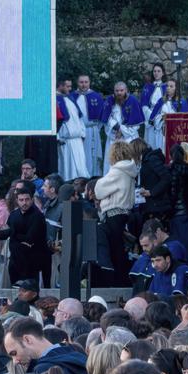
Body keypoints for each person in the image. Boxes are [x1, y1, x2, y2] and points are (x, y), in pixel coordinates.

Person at [94, 141, 138, 286]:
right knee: (119, 247)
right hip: (124, 212)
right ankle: (122, 279)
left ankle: (117, 280)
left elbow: (99, 190)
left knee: (114, 249)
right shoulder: (130, 170)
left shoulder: (117, 171)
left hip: (113, 213)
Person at [3, 316, 88, 374]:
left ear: (28, 340)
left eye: (14, 353)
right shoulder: (77, 353)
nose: (15, 361)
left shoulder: (42, 369)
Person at [0, 185, 49, 287]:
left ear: (31, 200)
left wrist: (13, 233)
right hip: (15, 261)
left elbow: (30, 239)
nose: (24, 202)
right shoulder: (13, 215)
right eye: (21, 200)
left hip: (32, 262)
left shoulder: (37, 216)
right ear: (17, 201)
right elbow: (3, 233)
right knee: (14, 289)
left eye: (27, 199)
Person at [100, 81, 145, 170]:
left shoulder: (133, 101)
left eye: (121, 90)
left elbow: (135, 125)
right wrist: (116, 127)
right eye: (117, 91)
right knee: (112, 165)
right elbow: (107, 119)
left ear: (126, 90)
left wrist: (122, 131)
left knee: (129, 163)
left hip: (129, 139)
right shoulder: (110, 101)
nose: (119, 93)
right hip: (114, 138)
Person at [70, 75, 105, 177]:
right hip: (78, 133)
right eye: (81, 82)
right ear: (77, 83)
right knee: (79, 155)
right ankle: (80, 178)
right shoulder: (72, 97)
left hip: (92, 131)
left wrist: (95, 128)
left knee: (92, 156)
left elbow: (102, 116)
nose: (84, 84)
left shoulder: (96, 96)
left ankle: (93, 177)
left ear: (89, 83)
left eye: (86, 82)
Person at [56, 78, 89, 180]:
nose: (70, 89)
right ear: (60, 86)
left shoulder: (70, 98)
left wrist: (83, 133)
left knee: (81, 168)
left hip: (77, 139)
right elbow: (55, 121)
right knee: (67, 169)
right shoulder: (54, 99)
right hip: (65, 140)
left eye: (70, 86)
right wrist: (57, 137)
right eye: (67, 86)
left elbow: (79, 117)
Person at [141, 64, 168, 149]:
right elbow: (144, 105)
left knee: (161, 144)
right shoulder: (147, 87)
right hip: (150, 119)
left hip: (162, 120)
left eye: (159, 71)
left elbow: (168, 104)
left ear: (163, 73)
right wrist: (151, 117)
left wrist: (160, 118)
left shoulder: (167, 87)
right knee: (150, 143)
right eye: (154, 71)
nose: (156, 73)